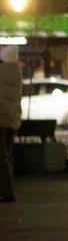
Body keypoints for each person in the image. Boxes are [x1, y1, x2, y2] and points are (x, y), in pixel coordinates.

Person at [0, 46, 20, 203]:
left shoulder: (2, 71)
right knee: (7, 155)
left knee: (2, 157)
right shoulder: (16, 72)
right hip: (13, 121)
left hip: (1, 119)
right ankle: (9, 188)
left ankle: (7, 192)